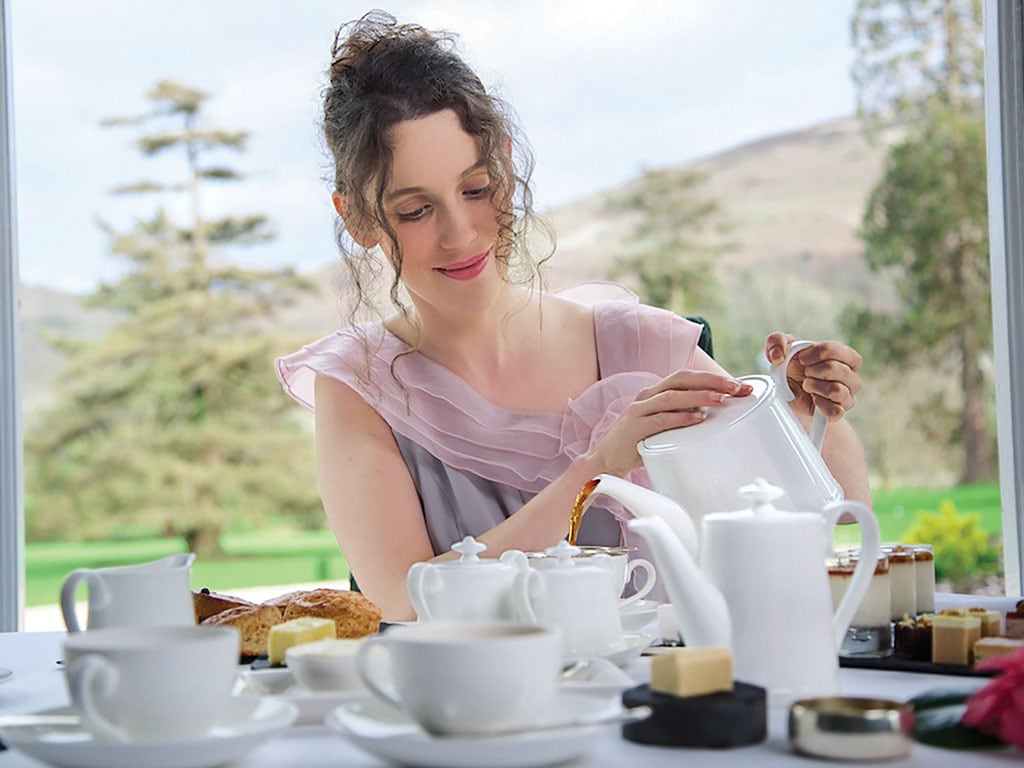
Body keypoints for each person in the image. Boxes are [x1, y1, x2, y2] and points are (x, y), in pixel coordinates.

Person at [276, 10, 870, 621]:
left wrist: (811, 411)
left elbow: (831, 523)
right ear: (357, 219)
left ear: (505, 166)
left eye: (477, 190)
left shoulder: (644, 346)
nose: (461, 234)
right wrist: (593, 469)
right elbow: (403, 601)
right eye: (414, 210)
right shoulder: (360, 387)